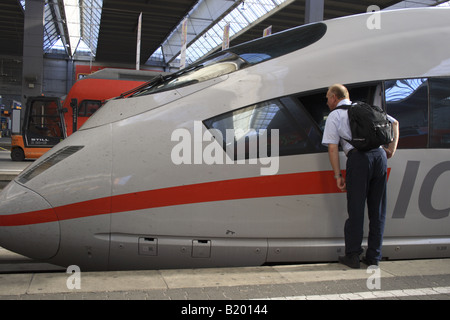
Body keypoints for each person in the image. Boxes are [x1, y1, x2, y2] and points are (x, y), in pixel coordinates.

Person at [322, 84, 399, 269]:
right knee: (377, 210)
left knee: (356, 209)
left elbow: (332, 147)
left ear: (334, 97)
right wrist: (391, 151)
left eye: (327, 98)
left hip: (358, 159)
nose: (326, 102)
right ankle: (374, 257)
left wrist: (338, 175)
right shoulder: (365, 107)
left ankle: (353, 256)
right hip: (380, 156)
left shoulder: (335, 115)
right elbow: (395, 123)